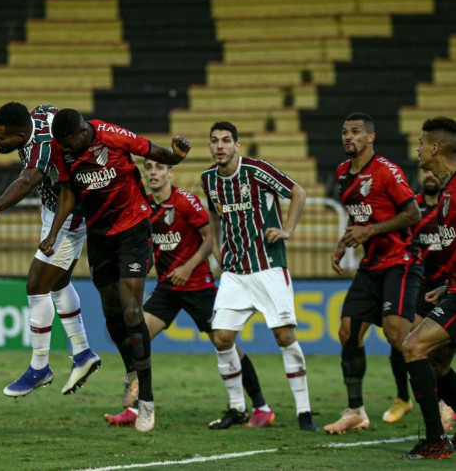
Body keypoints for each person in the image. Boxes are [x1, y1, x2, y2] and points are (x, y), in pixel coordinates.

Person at [39, 109, 190, 433]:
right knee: (111, 315)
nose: (66, 148)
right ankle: (132, 371)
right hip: (99, 235)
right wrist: (53, 234)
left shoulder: (112, 135)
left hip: (133, 230)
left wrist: (175, 156)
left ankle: (146, 401)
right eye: (61, 143)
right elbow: (67, 192)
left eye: (70, 143)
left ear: (82, 133)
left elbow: (155, 151)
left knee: (132, 310)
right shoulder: (61, 149)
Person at [103, 159, 273, 428]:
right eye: (149, 169)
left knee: (223, 343)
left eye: (159, 168)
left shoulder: (185, 201)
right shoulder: (145, 206)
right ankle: (136, 408)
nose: (153, 173)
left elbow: (208, 240)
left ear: (170, 172)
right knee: (136, 339)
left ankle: (262, 407)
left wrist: (187, 267)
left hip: (197, 286)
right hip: (167, 288)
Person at [0, 102, 101, 397]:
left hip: (71, 214)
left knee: (36, 284)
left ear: (19, 137)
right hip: (53, 208)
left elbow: (29, 179)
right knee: (58, 283)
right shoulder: (39, 114)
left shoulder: (41, 145)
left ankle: (40, 366)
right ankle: (82, 353)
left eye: (0, 138)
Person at [202, 121, 318, 431]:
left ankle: (304, 412)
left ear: (237, 145)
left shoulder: (256, 170)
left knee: (284, 336)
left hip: (268, 267)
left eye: (226, 140)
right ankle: (237, 407)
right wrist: (216, 248)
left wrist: (288, 230)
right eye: (214, 141)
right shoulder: (209, 180)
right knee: (221, 338)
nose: (220, 146)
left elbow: (299, 192)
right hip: (236, 272)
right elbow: (213, 214)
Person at [324, 113, 422, 434]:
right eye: (343, 132)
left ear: (370, 137)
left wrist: (370, 232)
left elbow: (412, 213)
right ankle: (355, 411)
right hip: (371, 266)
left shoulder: (387, 172)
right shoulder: (342, 172)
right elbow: (358, 219)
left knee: (398, 335)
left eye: (355, 132)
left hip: (400, 261)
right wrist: (344, 243)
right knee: (348, 332)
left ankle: (439, 400)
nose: (347, 137)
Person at [399, 116, 456, 459]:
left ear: (435, 148)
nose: (418, 149)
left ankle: (436, 440)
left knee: (413, 346)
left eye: (421, 143)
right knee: (435, 362)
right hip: (452, 291)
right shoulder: (447, 191)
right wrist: (448, 285)